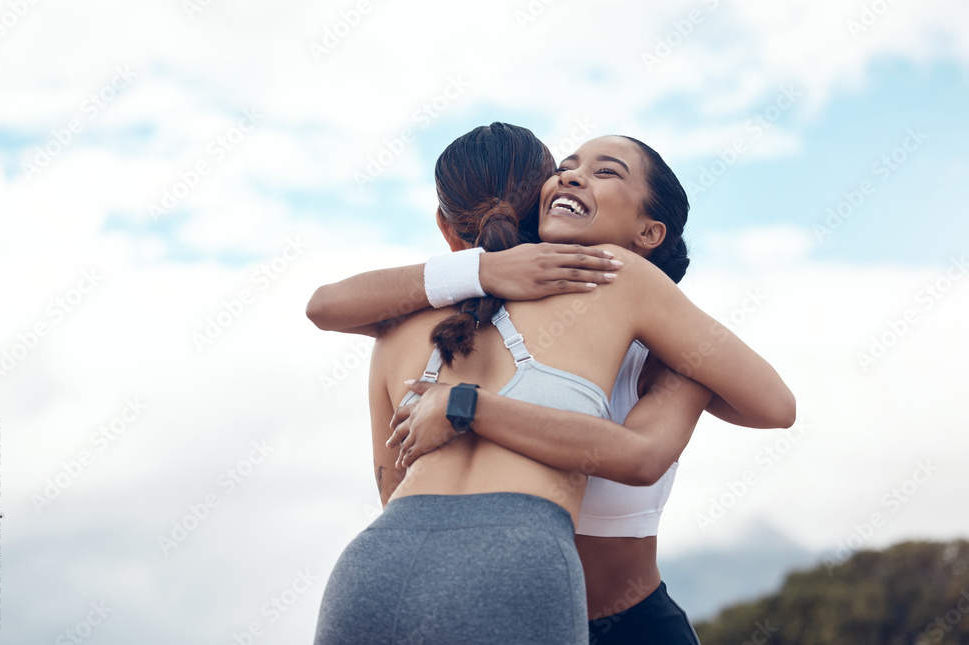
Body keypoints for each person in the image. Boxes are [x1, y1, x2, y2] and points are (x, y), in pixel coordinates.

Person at [310, 123, 795, 644]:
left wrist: (468, 406)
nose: (574, 178)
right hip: (524, 587)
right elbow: (325, 306)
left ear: (649, 233)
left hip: (608, 615)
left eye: (604, 171)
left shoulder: (655, 325)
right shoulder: (472, 307)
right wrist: (485, 270)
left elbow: (764, 409)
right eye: (564, 168)